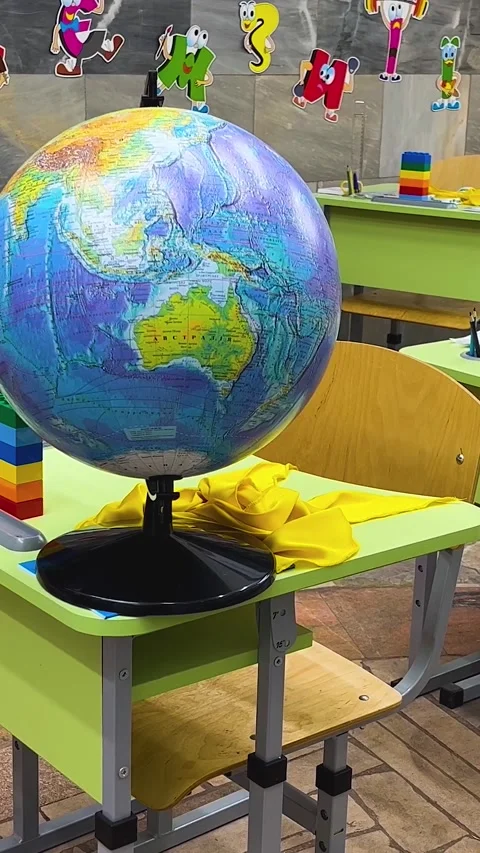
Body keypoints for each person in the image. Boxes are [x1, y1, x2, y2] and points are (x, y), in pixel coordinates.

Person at [50, 0, 124, 78]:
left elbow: (60, 27)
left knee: (90, 33)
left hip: (75, 47)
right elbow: (99, 10)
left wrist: (55, 43)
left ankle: (104, 52)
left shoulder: (71, 6)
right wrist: (55, 43)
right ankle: (105, 51)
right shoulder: (73, 6)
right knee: (98, 32)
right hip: (78, 47)